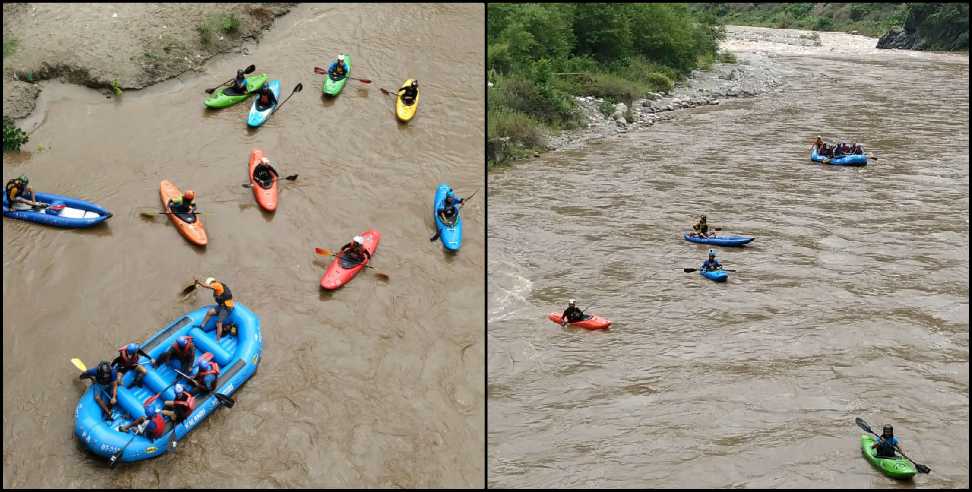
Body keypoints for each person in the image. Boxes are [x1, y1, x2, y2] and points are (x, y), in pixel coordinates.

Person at [196, 277, 236, 342]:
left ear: (211, 282)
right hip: (221, 306)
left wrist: (199, 283)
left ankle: (217, 340)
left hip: (227, 308)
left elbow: (207, 286)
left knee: (219, 323)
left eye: (210, 284)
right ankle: (201, 327)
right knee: (210, 312)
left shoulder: (217, 285)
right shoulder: (217, 288)